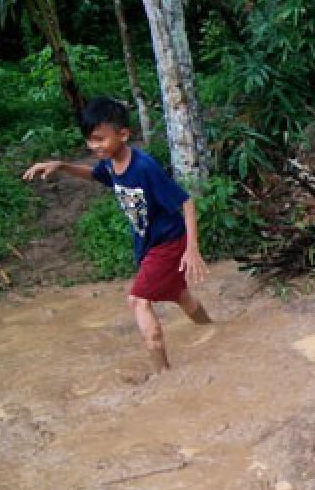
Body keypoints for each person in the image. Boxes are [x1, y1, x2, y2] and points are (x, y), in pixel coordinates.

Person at [22, 96, 211, 375]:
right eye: (90, 140)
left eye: (100, 139)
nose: (94, 146)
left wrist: (191, 248)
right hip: (148, 244)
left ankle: (164, 375)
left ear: (123, 134)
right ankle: (215, 331)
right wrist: (62, 165)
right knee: (179, 294)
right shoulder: (111, 163)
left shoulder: (144, 167)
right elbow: (96, 175)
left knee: (138, 300)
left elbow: (186, 202)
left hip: (168, 244)